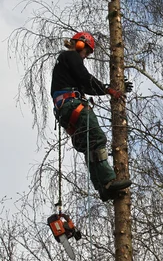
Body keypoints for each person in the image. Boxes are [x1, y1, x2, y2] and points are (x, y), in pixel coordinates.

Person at [51, 31, 132, 202]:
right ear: (78, 44)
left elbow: (87, 86)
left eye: (88, 53)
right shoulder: (70, 55)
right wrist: (109, 90)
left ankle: (103, 188)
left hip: (66, 110)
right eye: (85, 51)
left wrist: (112, 89)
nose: (85, 55)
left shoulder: (66, 64)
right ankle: (109, 180)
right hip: (73, 105)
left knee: (91, 147)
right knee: (97, 137)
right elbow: (85, 78)